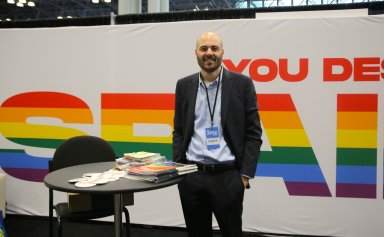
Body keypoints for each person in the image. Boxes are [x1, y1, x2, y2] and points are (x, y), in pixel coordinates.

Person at [172, 31, 263, 237]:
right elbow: (179, 130)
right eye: (204, 49)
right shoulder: (184, 85)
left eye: (214, 48)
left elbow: (253, 133)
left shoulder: (242, 84)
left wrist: (245, 176)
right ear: (196, 53)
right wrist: (179, 169)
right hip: (191, 177)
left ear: (222, 52)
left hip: (228, 177)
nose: (209, 53)